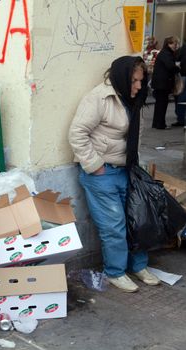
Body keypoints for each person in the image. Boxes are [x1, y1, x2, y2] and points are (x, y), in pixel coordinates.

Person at [68, 56, 160, 293]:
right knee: (114, 225)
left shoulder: (133, 99)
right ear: (121, 77)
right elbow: (77, 133)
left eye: (141, 81)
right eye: (134, 81)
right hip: (103, 172)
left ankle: (138, 266)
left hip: (126, 169)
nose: (139, 87)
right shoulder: (99, 98)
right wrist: (95, 165)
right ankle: (116, 271)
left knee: (136, 218)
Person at [151, 36, 180, 129]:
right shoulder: (166, 53)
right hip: (162, 83)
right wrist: (178, 68)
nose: (175, 46)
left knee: (159, 103)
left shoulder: (164, 52)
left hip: (160, 82)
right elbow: (170, 66)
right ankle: (160, 124)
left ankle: (157, 123)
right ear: (168, 44)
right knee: (162, 104)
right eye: (173, 44)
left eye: (176, 44)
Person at [174, 41, 186, 127]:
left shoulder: (184, 48)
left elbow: (178, 59)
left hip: (184, 75)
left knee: (181, 97)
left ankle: (181, 119)